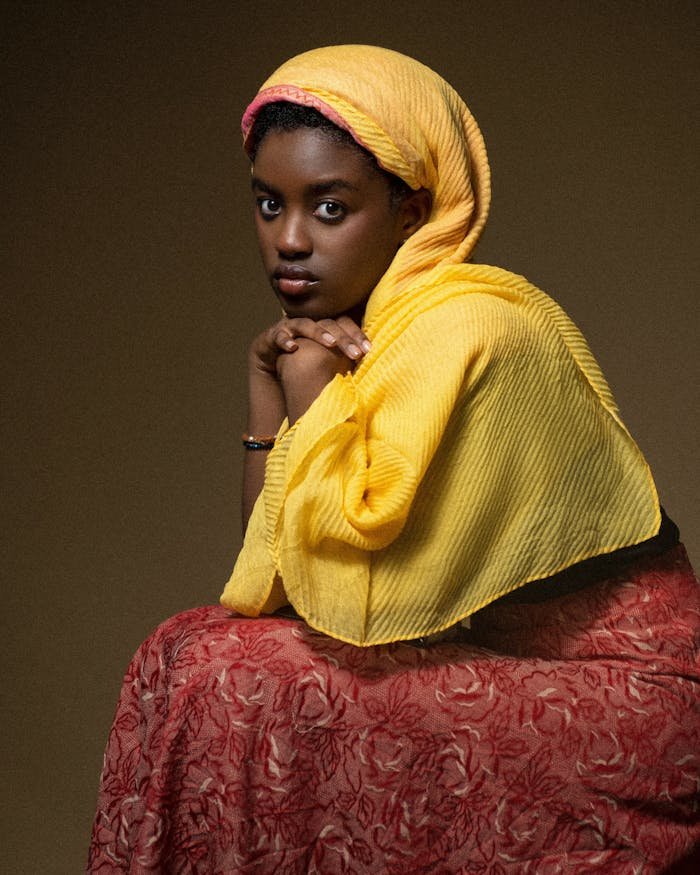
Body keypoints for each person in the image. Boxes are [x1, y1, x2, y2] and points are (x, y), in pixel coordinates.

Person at [87, 46, 699, 872]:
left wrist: (315, 396)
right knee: (184, 650)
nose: (289, 240)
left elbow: (353, 601)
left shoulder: (472, 329)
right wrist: (268, 387)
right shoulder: (370, 334)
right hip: (505, 662)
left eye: (330, 208)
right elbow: (267, 579)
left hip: (635, 696)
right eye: (269, 204)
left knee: (234, 679)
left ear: (413, 213)